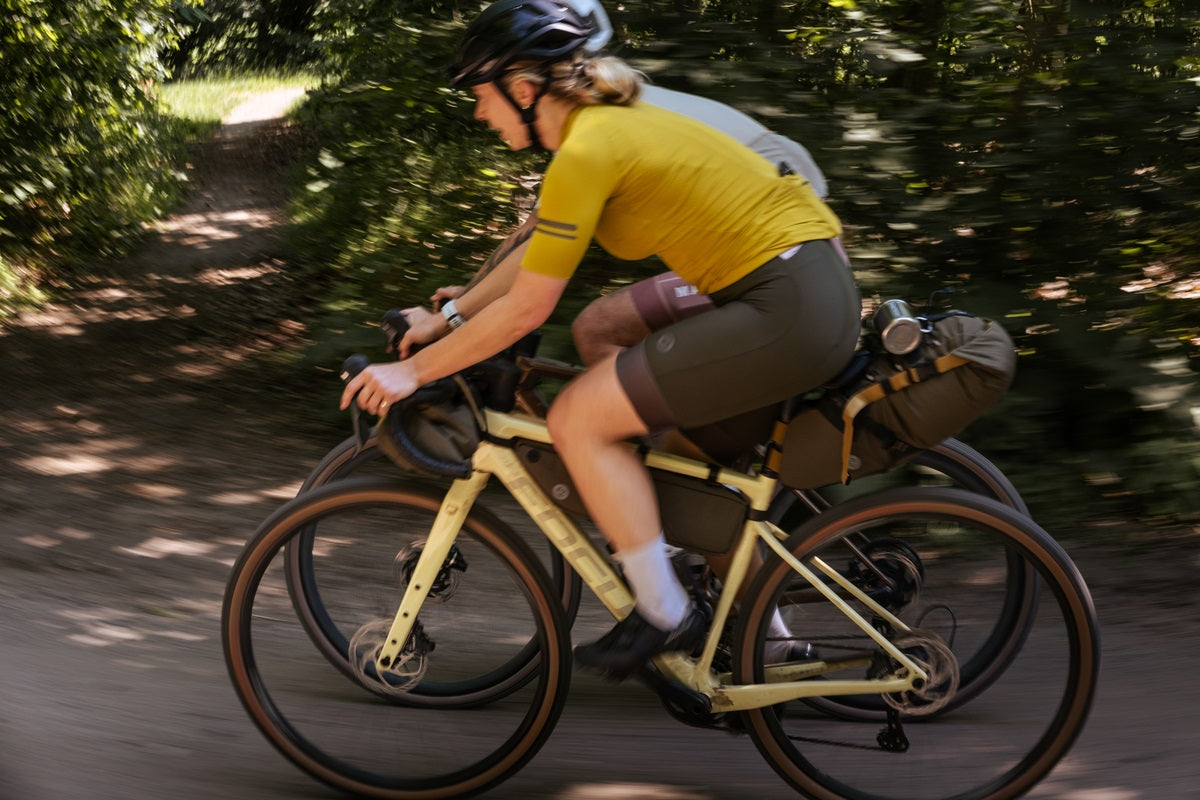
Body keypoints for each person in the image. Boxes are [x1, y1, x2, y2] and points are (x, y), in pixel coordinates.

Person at [342, 0, 861, 679]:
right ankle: (770, 645)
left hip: (787, 306)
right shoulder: (603, 131)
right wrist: (451, 321)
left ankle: (667, 613)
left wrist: (413, 373)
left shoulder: (589, 147)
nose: (479, 113)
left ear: (523, 88)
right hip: (798, 295)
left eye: (482, 96)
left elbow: (528, 309)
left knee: (578, 418)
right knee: (678, 465)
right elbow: (534, 257)